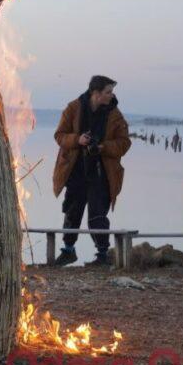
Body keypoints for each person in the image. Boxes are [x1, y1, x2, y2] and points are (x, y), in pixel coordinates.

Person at [51, 75, 131, 267]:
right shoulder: (73, 108)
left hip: (101, 173)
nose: (112, 96)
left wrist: (103, 147)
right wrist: (78, 140)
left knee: (97, 216)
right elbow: (59, 135)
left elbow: (124, 143)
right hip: (75, 170)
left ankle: (103, 256)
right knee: (72, 211)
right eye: (108, 92)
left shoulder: (115, 115)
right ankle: (68, 251)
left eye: (111, 92)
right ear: (96, 94)